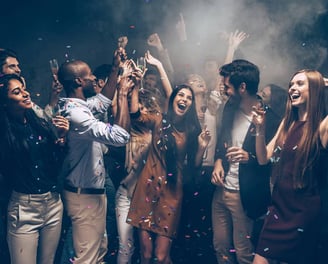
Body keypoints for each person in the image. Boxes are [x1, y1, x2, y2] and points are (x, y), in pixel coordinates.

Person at [57, 57, 131, 264]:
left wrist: (116, 68)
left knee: (98, 254)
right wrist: (123, 93)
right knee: (86, 259)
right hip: (85, 198)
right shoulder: (76, 113)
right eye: (89, 75)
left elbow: (102, 101)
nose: (94, 78)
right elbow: (120, 137)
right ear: (78, 82)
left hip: (91, 195)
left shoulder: (80, 105)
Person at [127, 84, 211, 264]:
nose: (185, 100)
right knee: (147, 254)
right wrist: (134, 87)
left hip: (171, 194)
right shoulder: (159, 120)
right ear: (173, 99)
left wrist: (202, 147)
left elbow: (194, 166)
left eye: (189, 98)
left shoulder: (190, 130)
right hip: (147, 188)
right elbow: (135, 116)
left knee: (161, 256)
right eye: (181, 95)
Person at [252, 69, 328, 264]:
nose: (293, 87)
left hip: (303, 213)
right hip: (277, 208)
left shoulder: (321, 127)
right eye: (291, 84)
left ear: (315, 89)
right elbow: (262, 158)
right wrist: (260, 129)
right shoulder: (288, 122)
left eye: (300, 83)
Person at [211, 59, 281, 263]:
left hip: (244, 196)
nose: (224, 90)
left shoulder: (270, 118)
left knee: (243, 251)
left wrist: (248, 157)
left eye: (227, 86)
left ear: (242, 87)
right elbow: (222, 139)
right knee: (220, 247)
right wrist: (217, 161)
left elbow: (276, 159)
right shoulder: (229, 108)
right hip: (221, 190)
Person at [0, 74, 69, 264]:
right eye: (17, 92)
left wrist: (62, 140)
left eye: (23, 88)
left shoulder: (38, 123)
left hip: (53, 203)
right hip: (24, 208)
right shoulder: (5, 133)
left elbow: (54, 166)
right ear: (5, 102)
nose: (25, 93)